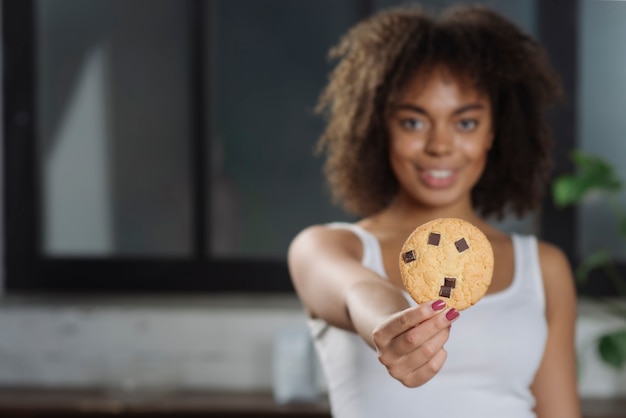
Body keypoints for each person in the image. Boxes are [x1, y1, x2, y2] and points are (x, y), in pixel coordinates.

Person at [287, 4, 581, 418]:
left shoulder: (544, 267)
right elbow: (358, 293)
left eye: (465, 123)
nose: (440, 146)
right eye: (413, 122)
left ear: (493, 131)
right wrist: (393, 325)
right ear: (379, 127)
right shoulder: (326, 247)